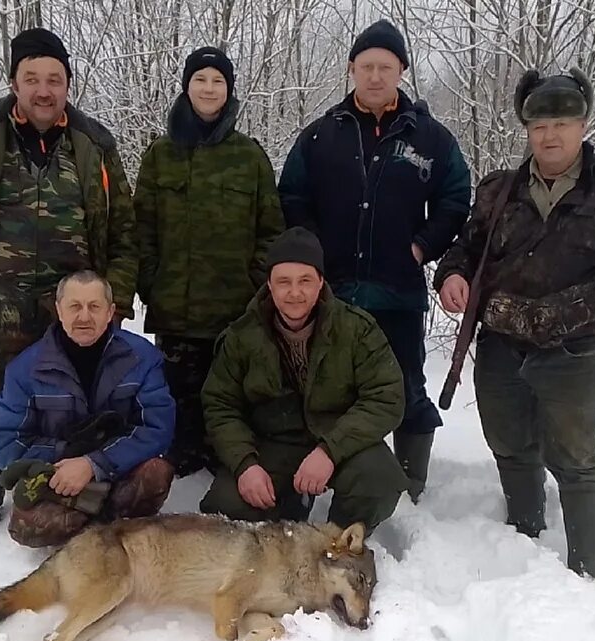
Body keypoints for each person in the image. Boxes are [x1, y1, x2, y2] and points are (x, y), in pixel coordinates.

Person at [432, 68, 595, 582]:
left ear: (583, 124)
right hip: (500, 344)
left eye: (562, 123)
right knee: (510, 443)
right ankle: (524, 541)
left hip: (572, 350)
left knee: (577, 459)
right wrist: (452, 276)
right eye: (540, 125)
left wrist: (574, 307)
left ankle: (586, 574)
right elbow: (467, 249)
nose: (551, 135)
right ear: (527, 130)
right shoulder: (499, 191)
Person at [0, 27, 138, 537]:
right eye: (32, 78)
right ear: (14, 81)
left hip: (73, 313)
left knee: (71, 412)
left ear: (67, 84)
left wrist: (116, 302)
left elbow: (125, 232)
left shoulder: (94, 145)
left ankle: (57, 503)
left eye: (54, 79)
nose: (44, 89)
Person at [277, 19, 471, 502]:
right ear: (351, 70)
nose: (376, 76)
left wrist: (422, 247)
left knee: (405, 386)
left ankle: (409, 486)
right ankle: (331, 476)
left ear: (401, 71)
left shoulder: (431, 139)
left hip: (397, 291)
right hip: (333, 294)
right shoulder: (321, 136)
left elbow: (455, 198)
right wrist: (314, 256)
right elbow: (293, 198)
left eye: (386, 66)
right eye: (367, 66)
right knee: (326, 388)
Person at [134, 46, 284, 478]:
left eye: (218, 80)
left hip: (234, 311)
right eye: (200, 79)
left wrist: (254, 284)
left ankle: (228, 463)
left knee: (229, 398)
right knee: (178, 402)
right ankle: (179, 470)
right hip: (175, 311)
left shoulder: (249, 157)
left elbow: (270, 229)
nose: (209, 88)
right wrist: (151, 282)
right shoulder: (160, 155)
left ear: (229, 90)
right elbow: (140, 226)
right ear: (186, 86)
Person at [199, 228, 408, 533]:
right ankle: (287, 507)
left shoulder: (357, 330)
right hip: (274, 443)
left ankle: (339, 538)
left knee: (378, 481)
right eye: (283, 282)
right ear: (269, 284)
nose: (294, 293)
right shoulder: (241, 336)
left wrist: (329, 451)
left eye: (305, 281)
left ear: (321, 282)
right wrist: (245, 465)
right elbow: (220, 406)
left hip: (339, 437)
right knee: (227, 505)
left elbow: (386, 397)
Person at [0, 271, 175, 547]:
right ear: (59, 310)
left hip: (118, 469)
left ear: (110, 312)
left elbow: (157, 428)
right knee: (28, 527)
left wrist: (94, 463)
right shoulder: (25, 369)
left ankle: (107, 527)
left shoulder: (142, 358)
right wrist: (65, 457)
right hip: (58, 478)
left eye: (94, 306)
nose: (84, 317)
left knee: (156, 472)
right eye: (74, 306)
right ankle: (103, 525)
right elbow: (2, 443)